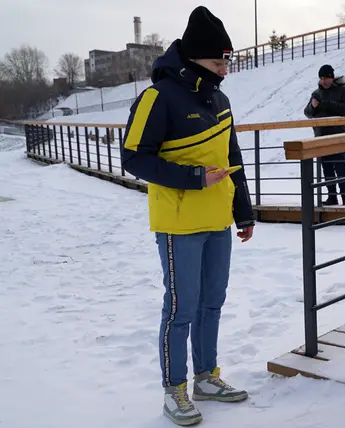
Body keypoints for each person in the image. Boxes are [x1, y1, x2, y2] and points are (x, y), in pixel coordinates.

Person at [121, 6, 254, 426]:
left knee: (212, 303)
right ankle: (173, 388)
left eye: (227, 62)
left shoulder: (220, 98)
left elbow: (232, 157)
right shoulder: (158, 97)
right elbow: (132, 157)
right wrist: (193, 178)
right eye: (219, 62)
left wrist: (244, 212)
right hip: (179, 223)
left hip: (217, 221)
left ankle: (206, 376)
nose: (225, 71)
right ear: (195, 58)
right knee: (182, 307)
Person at [304, 64, 345, 206]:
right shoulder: (316, 93)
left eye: (326, 78)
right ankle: (332, 196)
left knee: (339, 166)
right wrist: (312, 106)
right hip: (321, 136)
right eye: (321, 78)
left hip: (339, 135)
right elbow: (307, 113)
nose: (323, 81)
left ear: (332, 77)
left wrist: (327, 104)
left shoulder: (344, 90)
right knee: (326, 167)